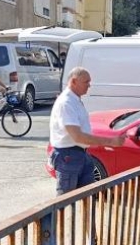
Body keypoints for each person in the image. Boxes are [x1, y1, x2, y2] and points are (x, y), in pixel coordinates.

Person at [50, 67, 125, 195]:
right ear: (74, 81)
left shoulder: (74, 100)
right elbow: (77, 136)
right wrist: (111, 142)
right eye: (86, 82)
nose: (89, 85)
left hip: (79, 154)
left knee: (87, 197)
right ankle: (49, 216)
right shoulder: (66, 102)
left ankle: (79, 215)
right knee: (64, 201)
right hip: (68, 155)